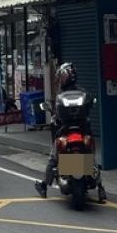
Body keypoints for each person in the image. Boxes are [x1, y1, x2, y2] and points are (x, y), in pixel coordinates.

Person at [34, 63, 77, 198]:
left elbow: (57, 113)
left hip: (68, 129)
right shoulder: (80, 92)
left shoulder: (62, 96)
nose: (62, 79)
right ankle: (99, 185)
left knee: (54, 156)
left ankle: (44, 185)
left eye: (63, 76)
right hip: (79, 129)